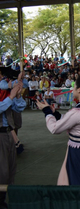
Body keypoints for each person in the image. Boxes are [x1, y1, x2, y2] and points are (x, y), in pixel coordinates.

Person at [0, 71, 26, 209]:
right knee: (2, 172)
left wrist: (17, 95)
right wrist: (10, 96)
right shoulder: (5, 95)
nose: (3, 80)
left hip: (8, 134)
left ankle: (5, 200)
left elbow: (19, 107)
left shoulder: (5, 94)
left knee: (10, 170)